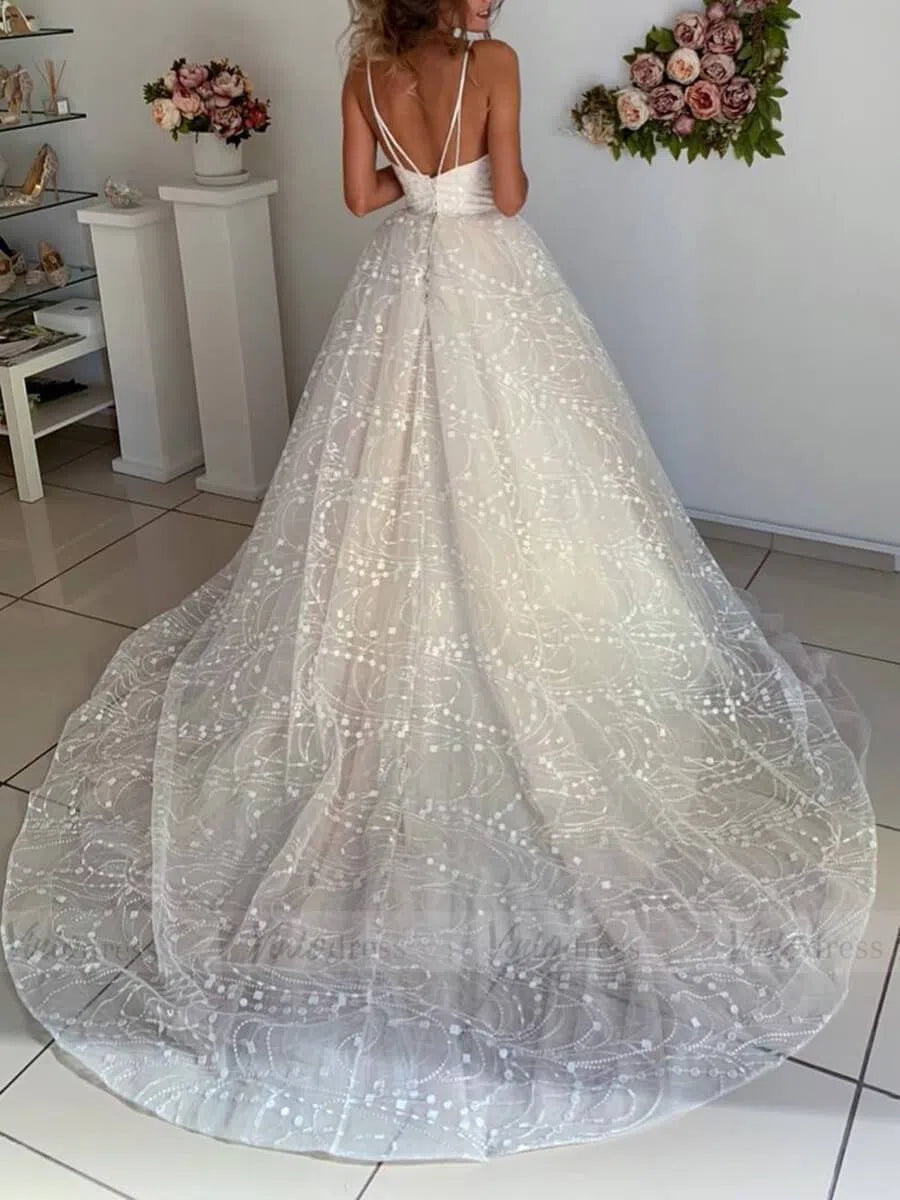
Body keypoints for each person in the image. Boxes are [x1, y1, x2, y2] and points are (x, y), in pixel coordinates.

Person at [1, 0, 877, 1166]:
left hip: (401, 276)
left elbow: (362, 199)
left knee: (380, 472)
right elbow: (508, 195)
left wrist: (421, 182)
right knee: (530, 473)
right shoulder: (493, 61)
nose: (495, 2)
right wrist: (470, 173)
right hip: (487, 276)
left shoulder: (366, 71)